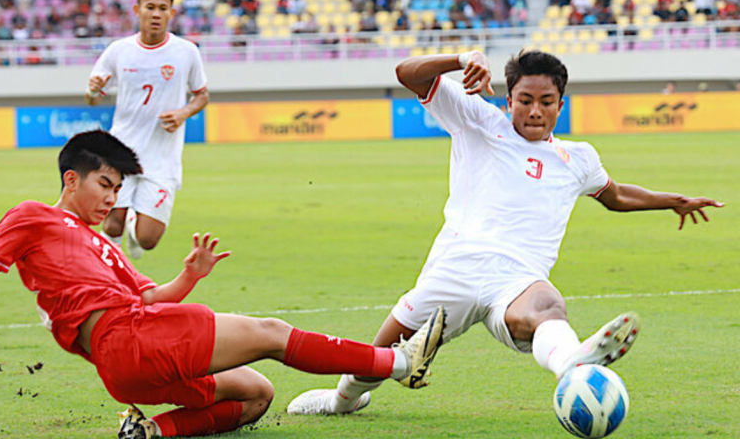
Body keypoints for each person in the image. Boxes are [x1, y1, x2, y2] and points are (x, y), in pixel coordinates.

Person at [0, 130, 446, 439]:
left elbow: (152, 296)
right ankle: (400, 363)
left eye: (118, 188)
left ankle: (152, 433)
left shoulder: (106, 247)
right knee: (270, 331)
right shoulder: (35, 216)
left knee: (258, 395)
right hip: (128, 339)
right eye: (105, 185)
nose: (113, 198)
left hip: (128, 370)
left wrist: (190, 275)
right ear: (72, 179)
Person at [287, 50, 724, 417]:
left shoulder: (579, 158)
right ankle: (342, 401)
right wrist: (462, 58)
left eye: (547, 101)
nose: (536, 111)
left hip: (517, 279)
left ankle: (570, 363)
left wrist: (673, 200)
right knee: (378, 360)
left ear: (561, 102)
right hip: (453, 272)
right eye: (525, 100)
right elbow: (406, 73)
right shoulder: (478, 120)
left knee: (548, 305)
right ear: (509, 99)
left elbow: (615, 195)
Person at [86, 0, 209, 259]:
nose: (156, 13)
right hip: (122, 151)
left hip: (162, 158)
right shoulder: (119, 51)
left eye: (162, 8)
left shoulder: (186, 52)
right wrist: (93, 90)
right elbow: (93, 98)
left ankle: (134, 226)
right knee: (111, 223)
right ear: (137, 9)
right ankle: (112, 282)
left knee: (148, 239)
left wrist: (183, 113)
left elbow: (202, 95)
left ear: (171, 13)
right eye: (150, 7)